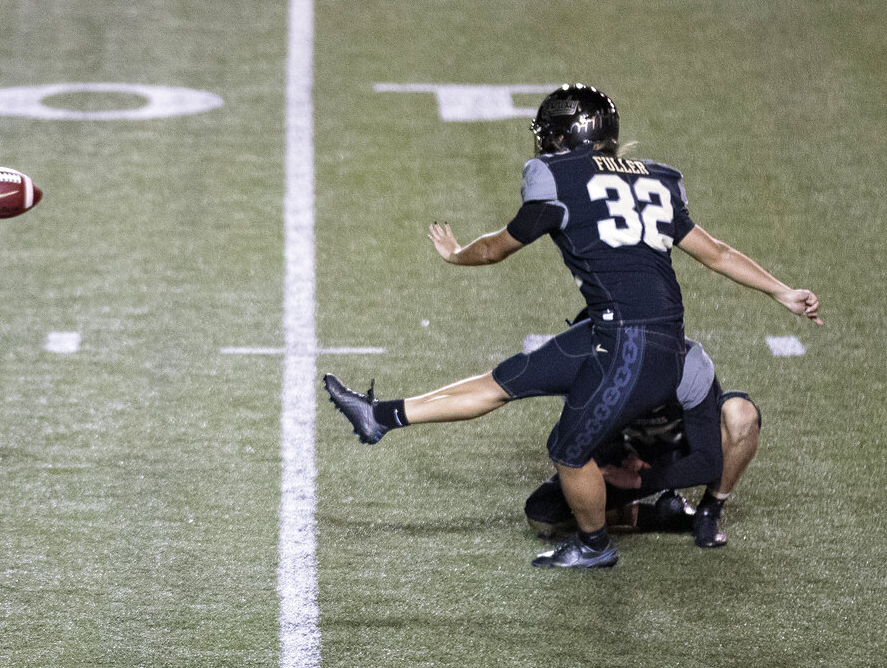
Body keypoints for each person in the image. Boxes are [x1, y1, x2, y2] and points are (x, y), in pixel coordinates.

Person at [324, 83, 821, 569]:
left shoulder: (556, 175)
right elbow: (717, 253)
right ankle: (379, 416)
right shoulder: (657, 179)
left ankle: (594, 546)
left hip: (630, 342)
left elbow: (497, 248)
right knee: (505, 380)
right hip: (624, 330)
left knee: (568, 450)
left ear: (562, 136)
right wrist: (781, 291)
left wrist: (456, 254)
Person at [523, 332, 762, 549]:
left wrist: (640, 480)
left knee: (741, 415)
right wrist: (598, 467)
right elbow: (568, 447)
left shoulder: (688, 363)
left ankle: (709, 512)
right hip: (633, 450)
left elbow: (708, 462)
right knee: (542, 514)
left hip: (684, 444)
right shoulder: (586, 373)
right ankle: (657, 516)